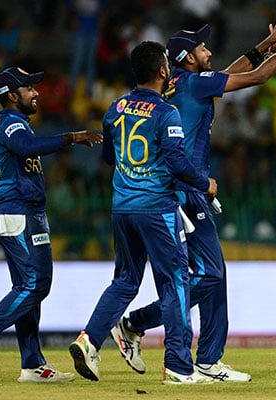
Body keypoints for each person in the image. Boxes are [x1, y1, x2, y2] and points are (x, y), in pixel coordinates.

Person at [107, 16, 276, 383]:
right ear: (187, 57)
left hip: (174, 189)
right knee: (211, 274)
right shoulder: (194, 84)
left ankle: (203, 356)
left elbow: (230, 74)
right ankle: (141, 326)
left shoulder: (183, 84)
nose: (209, 51)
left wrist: (266, 45)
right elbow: (258, 77)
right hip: (188, 190)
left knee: (213, 274)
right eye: (202, 48)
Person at [68, 41, 218, 385]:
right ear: (163, 71)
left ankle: (89, 340)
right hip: (157, 209)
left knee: (124, 281)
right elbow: (179, 164)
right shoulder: (167, 113)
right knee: (175, 283)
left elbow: (109, 157)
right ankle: (180, 367)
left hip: (122, 207)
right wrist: (206, 183)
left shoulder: (116, 107)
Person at [0, 66, 103, 383]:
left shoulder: (19, 123)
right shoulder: (7, 122)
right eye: (29, 88)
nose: (36, 93)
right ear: (11, 95)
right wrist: (72, 137)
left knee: (32, 287)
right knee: (34, 285)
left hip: (30, 212)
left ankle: (32, 364)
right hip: (14, 212)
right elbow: (28, 149)